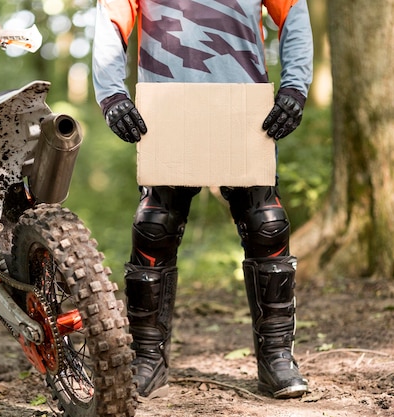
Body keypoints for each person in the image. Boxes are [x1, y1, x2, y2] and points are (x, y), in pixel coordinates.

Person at [91, 0, 313, 400]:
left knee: (267, 225)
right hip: (165, 108)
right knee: (154, 228)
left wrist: (295, 86)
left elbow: (294, 13)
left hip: (246, 110)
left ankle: (277, 360)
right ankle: (147, 360)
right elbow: (109, 24)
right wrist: (111, 96)